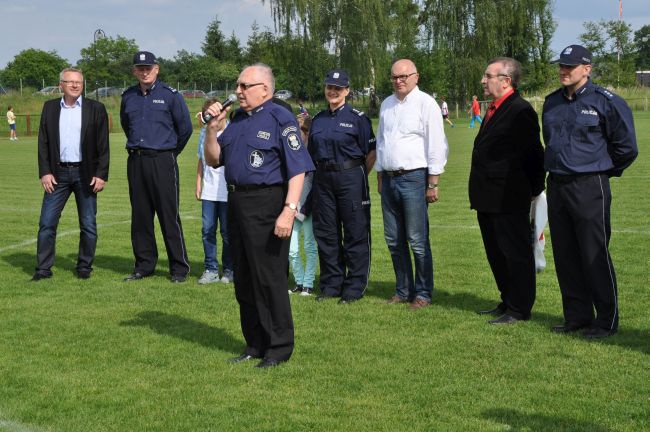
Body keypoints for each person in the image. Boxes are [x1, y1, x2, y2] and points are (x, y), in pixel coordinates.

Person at [202, 63, 314, 368]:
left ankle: (279, 347)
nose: (237, 91)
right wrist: (212, 130)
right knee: (245, 281)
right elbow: (214, 160)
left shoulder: (281, 118)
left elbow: (298, 169)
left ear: (264, 89)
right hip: (237, 202)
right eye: (238, 85)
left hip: (268, 204)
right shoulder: (237, 119)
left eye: (244, 86)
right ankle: (255, 343)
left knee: (269, 279)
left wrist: (288, 211)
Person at [543, 45, 638, 339]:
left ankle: (606, 320)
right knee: (566, 255)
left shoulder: (607, 101)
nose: (563, 70)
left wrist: (600, 170)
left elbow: (627, 148)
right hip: (557, 184)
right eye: (561, 65)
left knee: (594, 253)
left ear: (587, 69)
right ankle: (577, 317)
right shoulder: (551, 102)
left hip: (589, 186)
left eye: (570, 66)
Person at [469, 57, 545, 325]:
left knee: (515, 253)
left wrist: (534, 190)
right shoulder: (494, 108)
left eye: (488, 76)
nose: (483, 80)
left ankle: (519, 308)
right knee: (496, 253)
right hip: (487, 196)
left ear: (506, 81)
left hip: (509, 196)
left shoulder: (520, 110)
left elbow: (534, 154)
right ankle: (507, 299)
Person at [375, 59, 448, 310]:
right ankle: (402, 289)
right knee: (393, 239)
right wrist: (379, 176)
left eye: (404, 76)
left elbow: (436, 143)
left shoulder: (426, 103)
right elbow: (381, 143)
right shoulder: (386, 104)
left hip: (415, 177)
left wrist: (433, 182)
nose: (399, 81)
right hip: (389, 177)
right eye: (395, 77)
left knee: (417, 239)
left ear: (416, 76)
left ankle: (424, 293)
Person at [120, 51, 193, 283]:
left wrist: (169, 153)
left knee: (168, 215)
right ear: (134, 71)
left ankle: (179, 268)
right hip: (136, 161)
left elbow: (185, 129)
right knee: (140, 217)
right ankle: (144, 265)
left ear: (157, 69)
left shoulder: (171, 96)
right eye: (140, 68)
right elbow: (126, 125)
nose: (144, 71)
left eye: (148, 67)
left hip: (163, 160)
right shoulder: (128, 96)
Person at [33, 67, 109, 281]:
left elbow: (104, 146)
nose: (75, 85)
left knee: (88, 224)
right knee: (47, 223)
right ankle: (43, 269)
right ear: (61, 85)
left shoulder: (96, 109)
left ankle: (84, 266)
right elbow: (43, 143)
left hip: (86, 175)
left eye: (79, 82)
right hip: (57, 175)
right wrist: (45, 172)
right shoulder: (49, 108)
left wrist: (101, 174)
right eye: (70, 82)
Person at [309, 69, 376, 304]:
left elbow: (370, 153)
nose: (333, 91)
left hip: (350, 178)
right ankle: (331, 284)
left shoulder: (358, 118)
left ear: (347, 90)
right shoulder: (318, 119)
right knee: (326, 234)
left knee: (355, 232)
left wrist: (354, 175)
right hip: (323, 180)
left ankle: (354, 287)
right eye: (329, 87)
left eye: (338, 88)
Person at [196, 98, 233, 285]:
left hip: (228, 191)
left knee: (227, 232)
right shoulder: (205, 132)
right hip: (209, 192)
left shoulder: (233, 131)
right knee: (207, 230)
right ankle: (210, 269)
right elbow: (201, 159)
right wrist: (198, 183)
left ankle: (229, 269)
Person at [288, 115, 318, 296]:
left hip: (308, 207)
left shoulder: (312, 155)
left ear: (306, 134)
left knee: (309, 245)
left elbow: (314, 185)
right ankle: (298, 281)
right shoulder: (292, 153)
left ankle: (308, 283)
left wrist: (306, 208)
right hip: (293, 206)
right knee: (291, 249)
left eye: (298, 133)